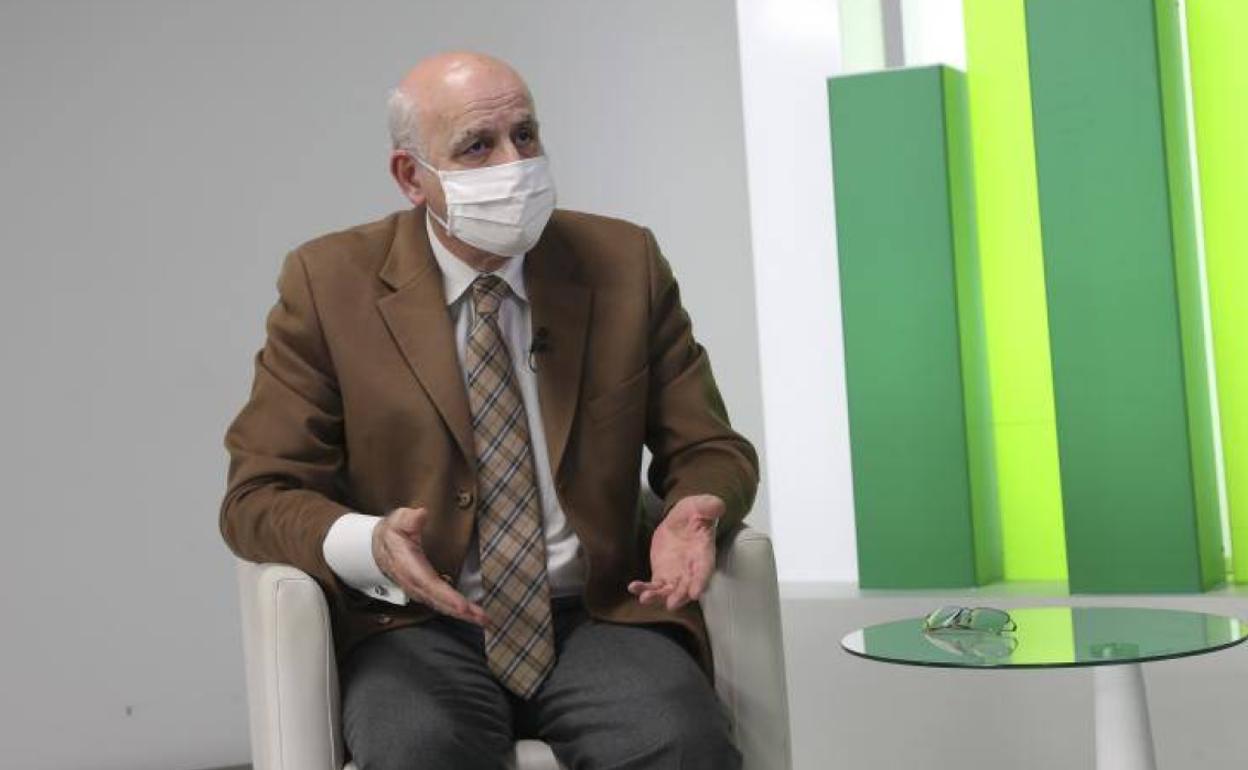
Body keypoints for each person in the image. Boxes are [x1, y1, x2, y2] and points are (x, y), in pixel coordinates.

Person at [219, 50, 760, 770]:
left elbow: (711, 447)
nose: (516, 163)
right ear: (412, 177)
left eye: (525, 135)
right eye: (478, 146)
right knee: (416, 747)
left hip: (596, 613)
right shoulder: (328, 284)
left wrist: (695, 509)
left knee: (682, 742)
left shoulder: (623, 262)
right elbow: (257, 496)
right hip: (415, 626)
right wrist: (367, 542)